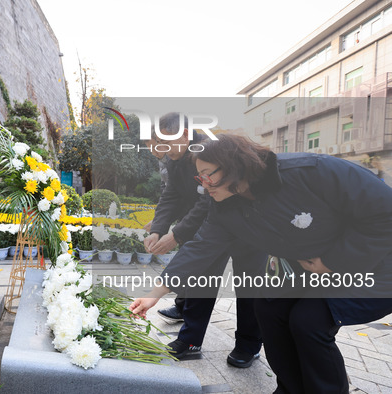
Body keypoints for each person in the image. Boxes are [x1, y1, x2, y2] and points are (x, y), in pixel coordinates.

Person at [130, 134, 392, 393]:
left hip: (375, 267)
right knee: (268, 309)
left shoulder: (312, 170)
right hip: (315, 271)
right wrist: (154, 295)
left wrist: (334, 261)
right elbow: (201, 247)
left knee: (309, 322)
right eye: (199, 177)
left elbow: (385, 213)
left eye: (207, 175)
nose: (203, 184)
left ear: (235, 166)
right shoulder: (225, 207)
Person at [142, 114, 265, 368]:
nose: (161, 150)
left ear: (185, 135)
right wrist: (159, 228)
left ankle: (249, 344)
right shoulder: (175, 159)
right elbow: (171, 195)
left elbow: (207, 200)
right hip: (212, 227)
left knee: (249, 286)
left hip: (248, 229)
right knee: (200, 281)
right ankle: (190, 342)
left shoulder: (214, 151)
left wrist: (177, 234)